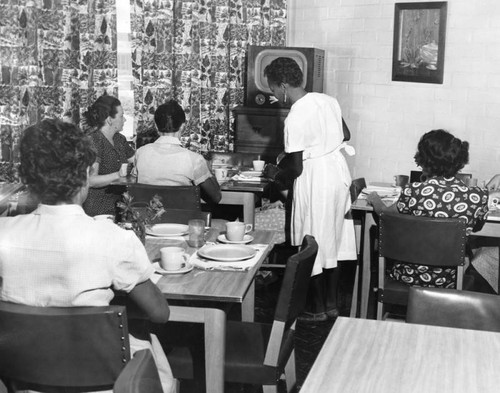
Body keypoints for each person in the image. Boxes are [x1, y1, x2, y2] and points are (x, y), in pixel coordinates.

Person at [0, 119, 176, 392]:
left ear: (28, 177)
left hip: (23, 382)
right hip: (105, 384)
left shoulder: (4, 233)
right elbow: (160, 314)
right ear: (84, 173)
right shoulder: (113, 239)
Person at [263, 57, 357, 321]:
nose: (273, 95)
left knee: (312, 239)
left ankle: (315, 309)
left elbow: (295, 170)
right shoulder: (327, 100)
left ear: (283, 85)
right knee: (333, 239)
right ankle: (331, 305)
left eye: (272, 89)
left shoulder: (295, 115)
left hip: (316, 176)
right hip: (337, 173)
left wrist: (275, 175)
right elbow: (345, 134)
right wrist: (322, 140)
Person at [367, 129, 489, 288]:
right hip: (451, 279)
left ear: (424, 160)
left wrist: (375, 198)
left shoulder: (414, 191)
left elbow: (385, 214)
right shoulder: (478, 196)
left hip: (408, 275)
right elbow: (477, 227)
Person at [134, 100, 221, 204]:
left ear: (156, 127)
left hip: (147, 218)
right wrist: (208, 171)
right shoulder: (194, 160)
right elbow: (216, 198)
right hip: (182, 220)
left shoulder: (140, 153)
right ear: (183, 127)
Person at [82, 95, 135, 216]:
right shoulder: (94, 140)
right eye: (121, 116)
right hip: (99, 210)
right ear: (109, 120)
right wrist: (118, 175)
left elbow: (137, 160)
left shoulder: (120, 139)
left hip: (120, 207)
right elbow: (91, 180)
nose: (124, 120)